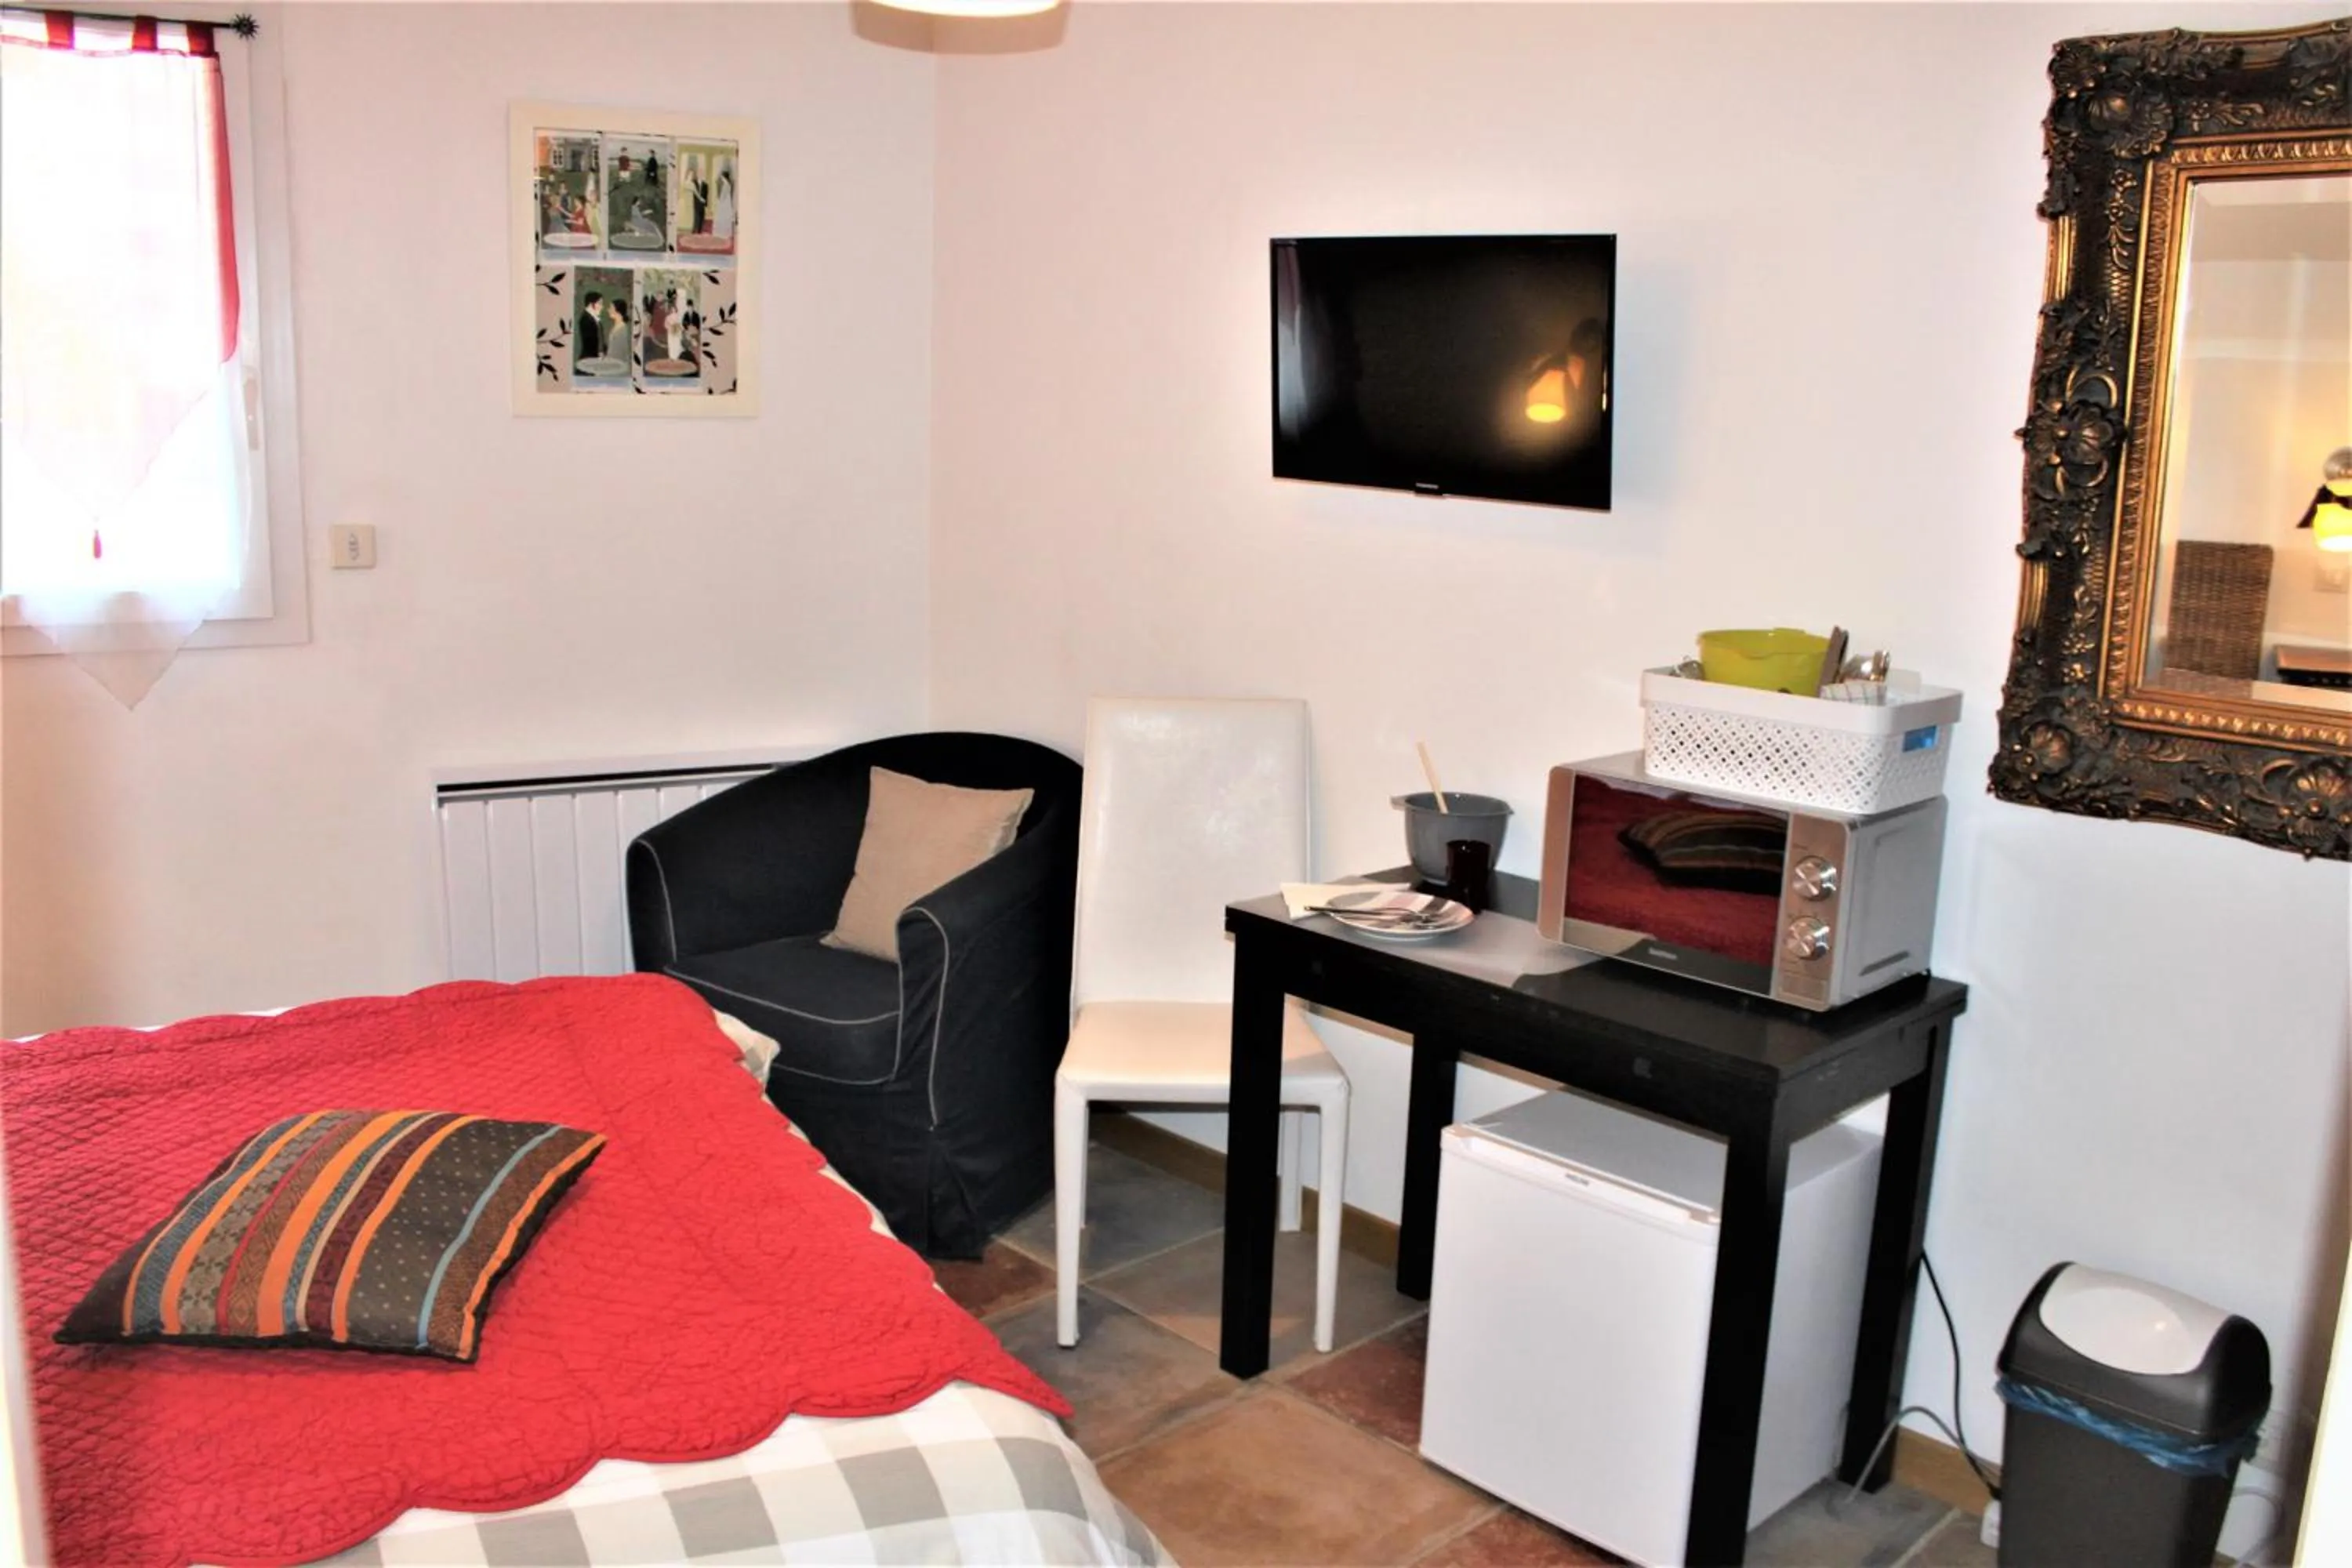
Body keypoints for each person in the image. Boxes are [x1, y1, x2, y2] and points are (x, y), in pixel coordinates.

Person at [575, 292, 604, 361]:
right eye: (600, 304)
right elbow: (590, 345)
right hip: (588, 359)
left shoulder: (595, 319)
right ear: (591, 305)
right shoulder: (586, 319)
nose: (602, 307)